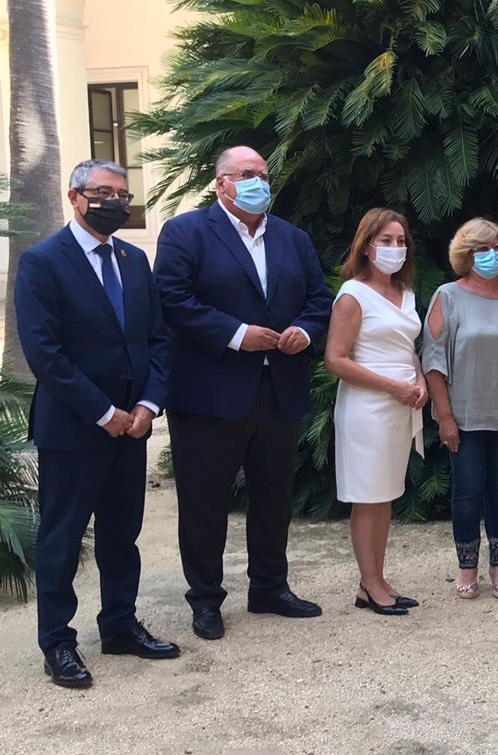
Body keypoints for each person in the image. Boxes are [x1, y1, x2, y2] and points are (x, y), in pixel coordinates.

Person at [154, 146, 333, 640]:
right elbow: (173, 300)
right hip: (209, 394)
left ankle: (269, 588)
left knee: (274, 498)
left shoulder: (292, 238)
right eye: (248, 174)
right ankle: (206, 599)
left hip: (279, 390)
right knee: (204, 504)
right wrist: (236, 335)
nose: (259, 183)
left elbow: (319, 300)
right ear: (221, 183)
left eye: (265, 175)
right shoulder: (185, 232)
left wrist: (304, 330)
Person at [15, 159, 179, 688]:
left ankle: (120, 626)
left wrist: (148, 405)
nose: (114, 202)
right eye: (103, 192)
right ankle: (57, 643)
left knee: (121, 534)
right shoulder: (43, 261)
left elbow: (157, 340)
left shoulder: (134, 259)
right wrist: (103, 413)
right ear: (75, 197)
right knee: (61, 539)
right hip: (74, 429)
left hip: (133, 426)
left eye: (123, 194)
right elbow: (45, 353)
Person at [422, 219, 498, 600]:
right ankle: (468, 567)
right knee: (468, 490)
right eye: (483, 249)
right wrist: (445, 416)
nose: (494, 254)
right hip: (464, 415)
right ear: (466, 254)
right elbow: (434, 362)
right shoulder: (447, 296)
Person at [325, 208, 427, 616]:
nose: (395, 248)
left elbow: (407, 349)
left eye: (401, 241)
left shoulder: (406, 293)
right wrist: (393, 387)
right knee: (366, 497)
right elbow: (336, 359)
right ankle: (369, 583)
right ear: (367, 246)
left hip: (401, 405)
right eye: (386, 241)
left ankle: (377, 580)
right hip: (367, 408)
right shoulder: (353, 295)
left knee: (385, 496)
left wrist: (419, 380)